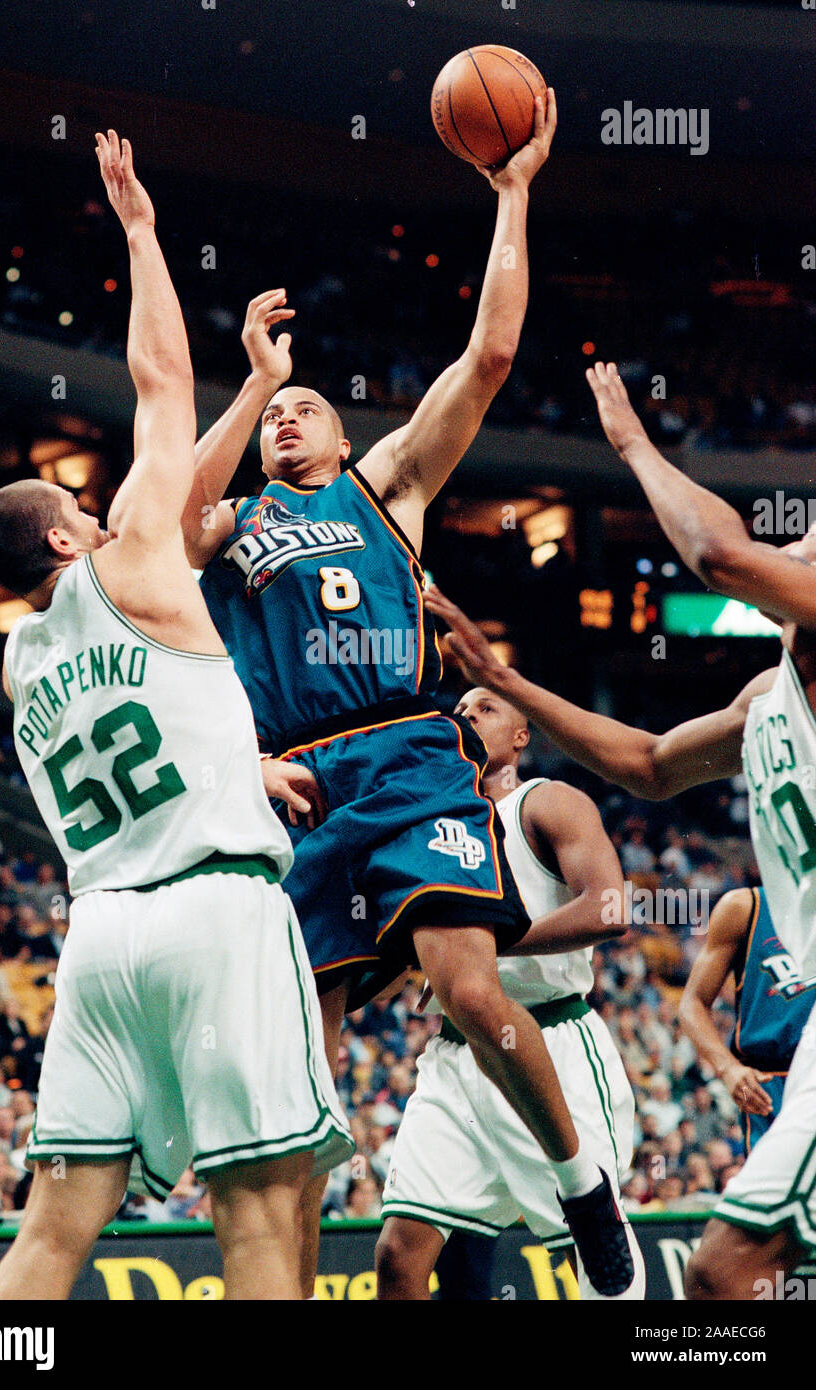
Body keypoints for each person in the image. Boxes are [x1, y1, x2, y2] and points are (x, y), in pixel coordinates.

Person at [183, 92, 633, 1298]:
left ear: (341, 434)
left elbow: (487, 357)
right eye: (274, 415)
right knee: (307, 1050)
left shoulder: (386, 489)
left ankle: (584, 1187)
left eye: (303, 407)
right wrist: (248, 380)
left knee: (466, 983)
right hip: (299, 781)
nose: (285, 420)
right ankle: (280, 1260)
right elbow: (167, 527)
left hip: (408, 753)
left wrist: (512, 195)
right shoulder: (231, 522)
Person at [0, 131, 351, 1301]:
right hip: (216, 915)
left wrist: (242, 761)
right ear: (63, 538)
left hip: (99, 942)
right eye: (83, 507)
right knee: (259, 1211)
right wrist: (140, 232)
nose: (104, 509)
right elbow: (156, 390)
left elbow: (155, 706)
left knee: (48, 1235)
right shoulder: (129, 561)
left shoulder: (22, 661)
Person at [424, 360, 816, 1298]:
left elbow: (719, 555)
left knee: (719, 1275)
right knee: (722, 1278)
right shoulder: (767, 697)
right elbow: (644, 764)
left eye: (805, 540)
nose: (794, 545)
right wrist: (511, 684)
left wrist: (636, 444)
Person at [376, 688, 644, 1299]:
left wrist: (489, 950)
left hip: (551, 1041)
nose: (467, 717)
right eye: (461, 711)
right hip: (455, 1054)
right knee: (398, 1256)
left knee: (594, 1250)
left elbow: (611, 906)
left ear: (523, 737)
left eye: (486, 709)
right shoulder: (431, 820)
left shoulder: (546, 802)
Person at [679, 886, 815, 1153]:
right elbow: (691, 1003)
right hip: (772, 1084)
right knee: (773, 1192)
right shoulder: (744, 907)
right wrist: (728, 1068)